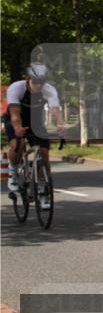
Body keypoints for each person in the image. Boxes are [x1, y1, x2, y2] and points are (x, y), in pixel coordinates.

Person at [3, 63, 66, 206]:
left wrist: (60, 124)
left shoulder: (49, 90)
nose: (39, 85)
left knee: (44, 153)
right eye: (36, 82)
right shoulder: (16, 88)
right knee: (18, 145)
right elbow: (14, 114)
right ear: (28, 79)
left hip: (35, 121)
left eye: (42, 82)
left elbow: (55, 109)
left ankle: (43, 192)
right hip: (14, 118)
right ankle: (12, 173)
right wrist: (18, 128)